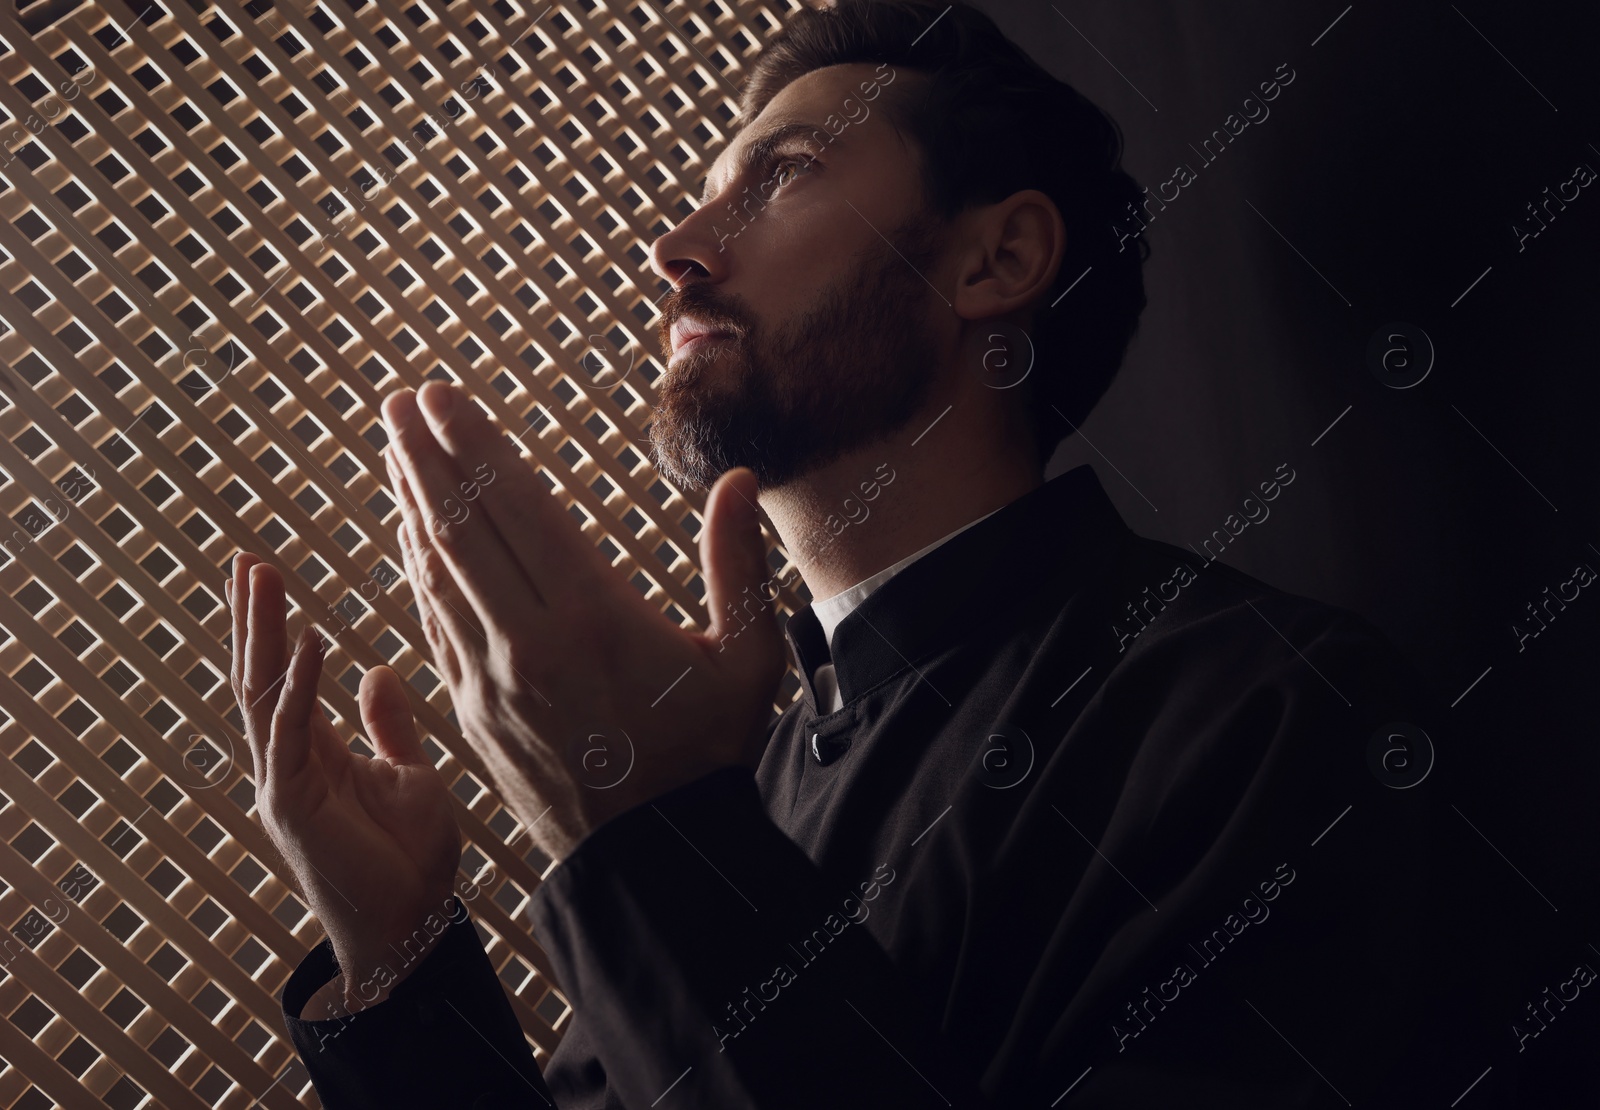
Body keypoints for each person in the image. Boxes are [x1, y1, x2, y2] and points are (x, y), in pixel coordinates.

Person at [228, 1, 1456, 1105]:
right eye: (709, 189)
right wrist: (399, 960)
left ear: (997, 260)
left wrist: (644, 834)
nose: (680, 244)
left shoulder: (1275, 718)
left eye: (784, 176)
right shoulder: (736, 776)